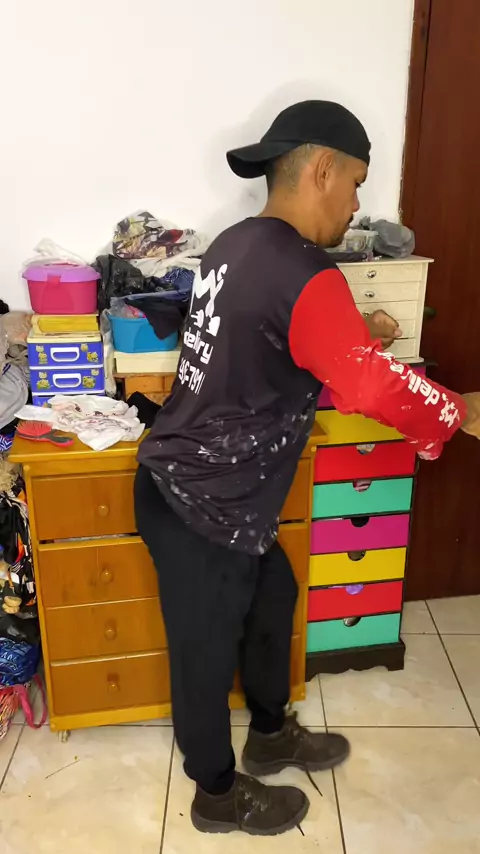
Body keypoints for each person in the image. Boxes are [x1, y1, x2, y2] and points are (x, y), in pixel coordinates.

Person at [135, 100, 480, 836]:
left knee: (273, 599)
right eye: (356, 182)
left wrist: (358, 335)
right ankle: (215, 794)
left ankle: (269, 735)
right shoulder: (303, 270)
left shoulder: (236, 244)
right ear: (322, 168)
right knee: (203, 652)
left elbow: (269, 349)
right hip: (200, 500)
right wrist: (457, 411)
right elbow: (368, 388)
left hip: (210, 488)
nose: (356, 205)